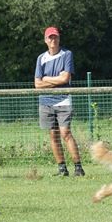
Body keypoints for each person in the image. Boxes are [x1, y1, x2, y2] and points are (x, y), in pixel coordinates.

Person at [34, 26, 85, 177]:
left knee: (66, 133)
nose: (53, 40)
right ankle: (62, 169)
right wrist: (55, 80)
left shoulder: (67, 54)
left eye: (55, 37)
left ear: (59, 39)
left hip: (63, 100)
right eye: (50, 37)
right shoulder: (41, 58)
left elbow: (65, 78)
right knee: (53, 135)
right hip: (45, 102)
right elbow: (37, 84)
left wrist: (47, 79)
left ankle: (78, 167)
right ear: (45, 40)